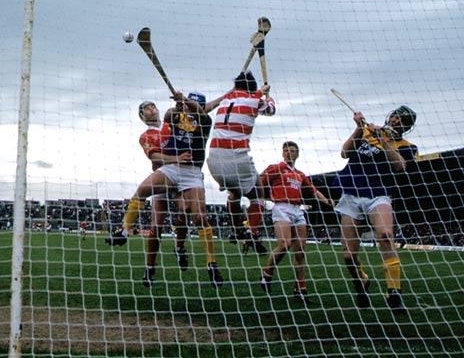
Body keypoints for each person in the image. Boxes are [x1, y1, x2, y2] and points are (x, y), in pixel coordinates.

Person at [107, 92, 223, 287]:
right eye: (146, 109)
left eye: (152, 106)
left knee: (191, 213)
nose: (151, 109)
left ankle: (184, 250)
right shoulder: (150, 133)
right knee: (156, 224)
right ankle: (143, 258)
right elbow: (155, 156)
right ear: (142, 117)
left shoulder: (189, 120)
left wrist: (225, 96)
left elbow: (203, 110)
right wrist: (179, 107)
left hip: (190, 173)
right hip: (166, 173)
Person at [334, 106, 418, 313]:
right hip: (351, 194)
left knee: (386, 234)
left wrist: (382, 139)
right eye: (396, 116)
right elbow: (344, 152)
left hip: (379, 194)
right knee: (348, 256)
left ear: (406, 127)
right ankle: (361, 281)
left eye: (402, 120)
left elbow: (399, 165)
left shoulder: (406, 146)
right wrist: (359, 128)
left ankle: (394, 292)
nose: (397, 120)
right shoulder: (366, 133)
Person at [205, 70, 276, 255]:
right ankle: (252, 231)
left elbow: (240, 96)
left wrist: (259, 92)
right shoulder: (254, 101)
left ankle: (238, 230)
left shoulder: (225, 101)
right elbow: (271, 110)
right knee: (258, 194)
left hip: (213, 160)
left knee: (234, 193)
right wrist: (268, 96)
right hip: (236, 157)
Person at [258, 141, 334, 303]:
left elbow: (313, 190)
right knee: (284, 245)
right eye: (286, 150)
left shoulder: (300, 174)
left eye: (292, 150)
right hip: (281, 207)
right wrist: (264, 197)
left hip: (297, 209)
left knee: (300, 251)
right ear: (282, 153)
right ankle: (266, 274)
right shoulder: (276, 168)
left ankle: (300, 289)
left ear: (297, 154)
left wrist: (327, 201)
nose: (289, 153)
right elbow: (259, 182)